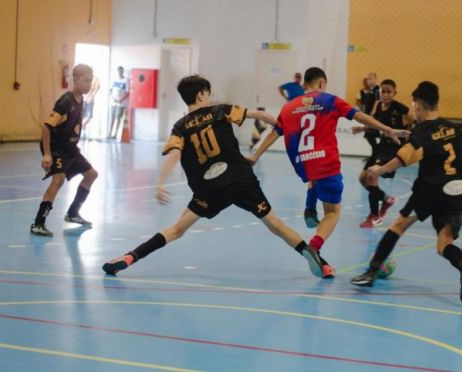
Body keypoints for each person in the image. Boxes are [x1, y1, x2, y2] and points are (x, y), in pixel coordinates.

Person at [102, 75, 330, 278]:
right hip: (240, 179)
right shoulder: (221, 110)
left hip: (209, 189)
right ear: (201, 95)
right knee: (275, 225)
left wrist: (160, 182)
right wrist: (282, 126)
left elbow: (174, 153)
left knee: (177, 229)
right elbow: (259, 115)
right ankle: (318, 260)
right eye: (208, 94)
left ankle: (131, 257)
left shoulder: (180, 126)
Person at [248, 67, 409, 275]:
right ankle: (313, 247)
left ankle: (309, 208)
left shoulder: (289, 108)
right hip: (327, 164)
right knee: (333, 212)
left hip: (304, 163)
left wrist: (255, 155)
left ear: (305, 85)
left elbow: (275, 132)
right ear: (322, 83)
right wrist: (387, 129)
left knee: (314, 179)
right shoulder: (329, 100)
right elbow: (359, 117)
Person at [351, 81, 462, 303]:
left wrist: (380, 169)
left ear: (418, 107)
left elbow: (405, 156)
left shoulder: (422, 131)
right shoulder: (455, 128)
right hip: (458, 193)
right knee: (444, 243)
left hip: (430, 190)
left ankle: (371, 272)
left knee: (398, 226)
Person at [30, 64, 98, 237]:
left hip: (70, 148)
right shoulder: (65, 102)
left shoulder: (81, 99)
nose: (88, 84)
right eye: (85, 80)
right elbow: (47, 127)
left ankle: (73, 213)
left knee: (91, 174)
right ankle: (38, 224)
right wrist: (47, 153)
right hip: (56, 148)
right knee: (58, 180)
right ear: (75, 79)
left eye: (90, 80)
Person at [352, 79, 415, 228]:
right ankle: (386, 199)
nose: (385, 94)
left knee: (372, 175)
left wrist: (409, 138)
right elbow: (375, 124)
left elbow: (412, 124)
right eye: (383, 91)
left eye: (389, 92)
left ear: (394, 93)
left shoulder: (401, 109)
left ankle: (374, 217)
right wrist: (361, 129)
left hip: (394, 149)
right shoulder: (378, 106)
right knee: (362, 179)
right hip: (381, 147)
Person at [108, 66, 129, 139]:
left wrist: (121, 99)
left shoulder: (126, 80)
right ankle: (109, 133)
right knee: (112, 118)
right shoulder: (114, 80)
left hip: (121, 103)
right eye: (118, 71)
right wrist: (113, 98)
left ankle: (115, 134)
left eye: (121, 71)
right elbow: (110, 90)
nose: (120, 72)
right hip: (114, 102)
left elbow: (127, 92)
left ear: (123, 72)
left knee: (118, 118)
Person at [81, 75, 100, 140]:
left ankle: (82, 130)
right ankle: (83, 133)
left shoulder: (95, 79)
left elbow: (96, 89)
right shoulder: (84, 77)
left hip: (89, 100)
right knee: (82, 116)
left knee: (88, 116)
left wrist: (92, 97)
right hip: (83, 99)